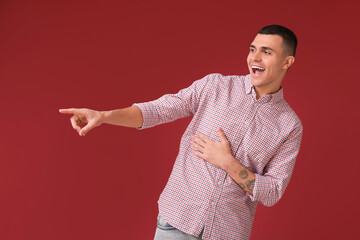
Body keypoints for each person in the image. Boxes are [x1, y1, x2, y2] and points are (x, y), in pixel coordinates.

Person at [59, 24, 303, 240]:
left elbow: (273, 192)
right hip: (176, 222)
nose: (254, 58)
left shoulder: (289, 125)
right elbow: (160, 109)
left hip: (228, 233)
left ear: (287, 61)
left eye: (266, 52)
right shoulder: (216, 86)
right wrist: (104, 116)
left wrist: (227, 163)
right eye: (252, 49)